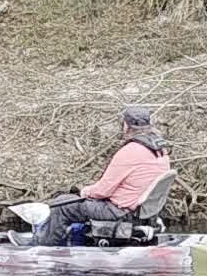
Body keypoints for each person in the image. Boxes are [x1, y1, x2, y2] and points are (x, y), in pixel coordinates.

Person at [35, 105, 171, 246]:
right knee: (76, 203)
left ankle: (44, 246)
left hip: (120, 212)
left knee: (61, 204)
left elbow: (102, 191)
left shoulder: (129, 151)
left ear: (125, 126)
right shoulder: (161, 151)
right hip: (144, 214)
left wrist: (84, 191)